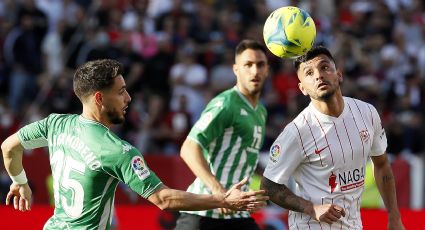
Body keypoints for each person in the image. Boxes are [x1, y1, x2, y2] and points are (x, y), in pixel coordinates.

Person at [1, 59, 268, 230]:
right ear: (98, 98)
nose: (128, 98)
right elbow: (164, 199)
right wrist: (223, 199)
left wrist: (19, 180)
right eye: (121, 92)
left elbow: (8, 146)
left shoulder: (55, 124)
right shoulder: (117, 150)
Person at [260, 46, 405, 229]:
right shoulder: (297, 131)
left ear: (339, 74)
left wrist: (394, 216)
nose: (319, 75)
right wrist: (311, 208)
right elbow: (269, 186)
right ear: (302, 88)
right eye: (309, 73)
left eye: (324, 67)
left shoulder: (367, 112)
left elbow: (382, 165)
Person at [175, 39, 269, 230]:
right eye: (248, 65)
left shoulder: (261, 111)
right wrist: (220, 192)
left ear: (267, 69)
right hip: (204, 213)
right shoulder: (226, 103)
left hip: (237, 211)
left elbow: (246, 157)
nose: (255, 71)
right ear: (236, 69)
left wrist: (263, 190)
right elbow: (189, 148)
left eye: (260, 65)